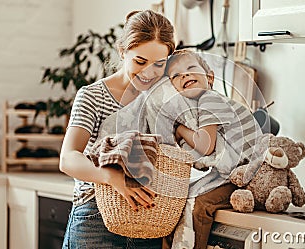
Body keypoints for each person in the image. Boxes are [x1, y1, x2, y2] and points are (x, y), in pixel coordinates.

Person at [59, 10, 175, 249]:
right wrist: (111, 176)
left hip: (148, 219)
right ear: (123, 52)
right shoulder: (92, 96)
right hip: (95, 220)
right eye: (140, 62)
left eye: (158, 65)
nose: (148, 73)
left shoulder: (162, 102)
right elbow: (68, 158)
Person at [165, 49, 263, 249]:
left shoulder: (210, 99)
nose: (185, 75)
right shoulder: (194, 110)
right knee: (182, 198)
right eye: (176, 75)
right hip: (237, 174)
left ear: (209, 77)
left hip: (250, 175)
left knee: (199, 204)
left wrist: (180, 130)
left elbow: (206, 146)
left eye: (191, 68)